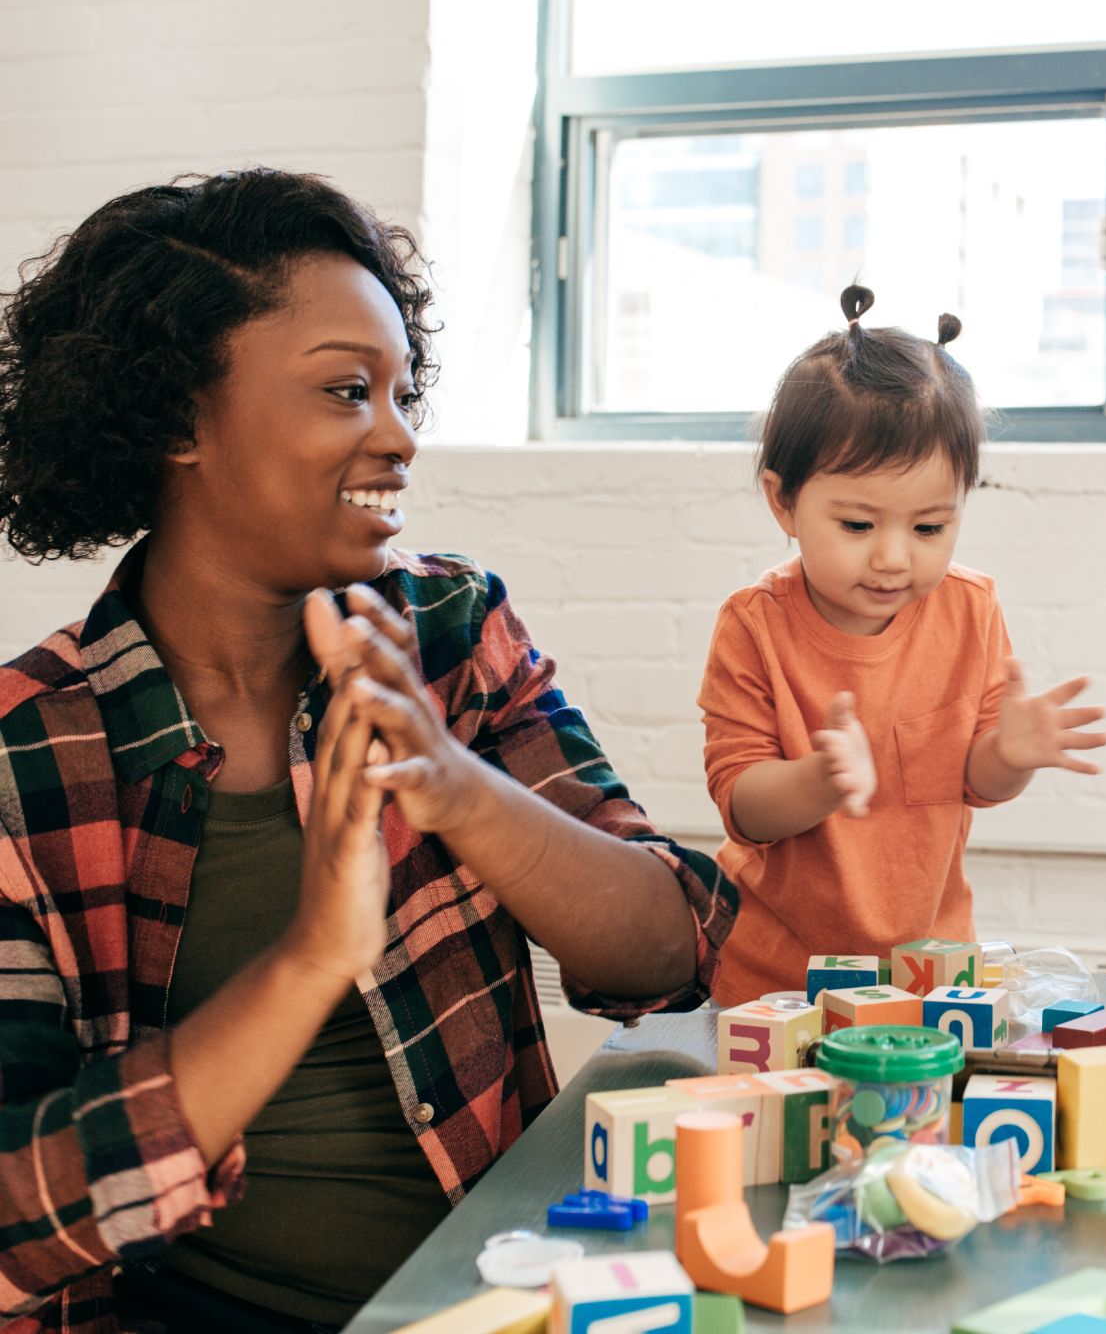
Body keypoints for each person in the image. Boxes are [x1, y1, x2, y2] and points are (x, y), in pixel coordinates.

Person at [0, 170, 736, 1334]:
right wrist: (311, 955)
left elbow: (675, 946)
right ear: (177, 419)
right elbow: (16, 1219)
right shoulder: (24, 757)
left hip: (506, 1293)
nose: (398, 437)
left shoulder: (448, 632)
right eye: (348, 390)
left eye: (402, 391)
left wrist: (455, 781)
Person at [698, 285, 1106, 1004]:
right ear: (783, 502)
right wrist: (818, 781)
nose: (894, 558)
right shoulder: (754, 625)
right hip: (778, 983)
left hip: (934, 975)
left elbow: (976, 783)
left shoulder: (971, 610)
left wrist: (1009, 756)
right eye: (858, 526)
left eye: (929, 529)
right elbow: (741, 804)